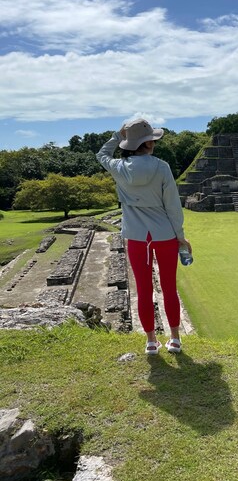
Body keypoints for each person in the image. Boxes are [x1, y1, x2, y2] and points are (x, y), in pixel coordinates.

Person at [96, 116, 192, 355]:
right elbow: (172, 206)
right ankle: (175, 338)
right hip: (164, 235)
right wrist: (180, 236)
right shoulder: (162, 167)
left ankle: (151, 341)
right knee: (169, 288)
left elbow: (101, 155)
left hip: (137, 237)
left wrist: (118, 135)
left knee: (143, 289)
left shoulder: (118, 167)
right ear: (149, 143)